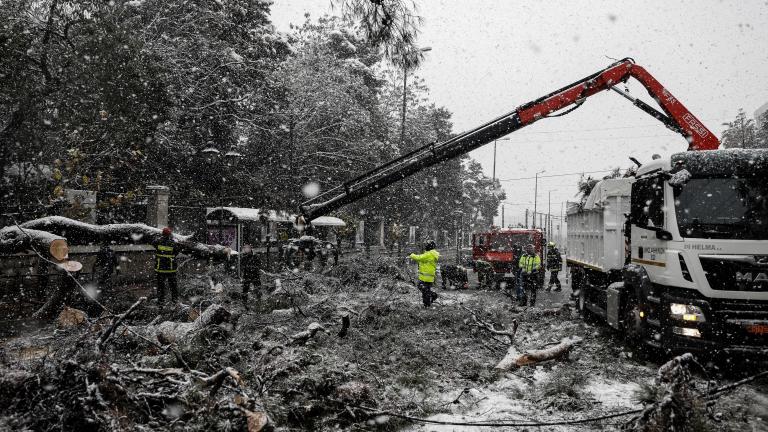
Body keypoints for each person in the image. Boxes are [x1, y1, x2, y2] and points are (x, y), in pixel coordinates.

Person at [409, 240, 440, 307]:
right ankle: (427, 304)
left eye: (426, 245)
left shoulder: (429, 254)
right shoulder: (431, 254)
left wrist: (411, 254)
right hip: (428, 276)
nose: (425, 246)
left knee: (423, 289)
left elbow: (419, 258)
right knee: (425, 290)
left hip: (426, 276)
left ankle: (432, 297)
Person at [153, 227, 179, 305]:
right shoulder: (173, 243)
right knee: (173, 286)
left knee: (160, 286)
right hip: (170, 269)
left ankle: (161, 301)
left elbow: (154, 244)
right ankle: (174, 301)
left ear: (162, 234)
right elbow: (176, 252)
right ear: (170, 235)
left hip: (160, 268)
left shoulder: (157, 241)